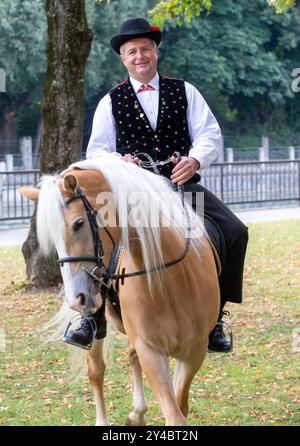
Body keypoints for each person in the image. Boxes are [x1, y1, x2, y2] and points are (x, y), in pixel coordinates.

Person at [65, 17, 248, 352]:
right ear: (123, 58)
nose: (139, 56)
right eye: (132, 51)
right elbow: (98, 150)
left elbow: (209, 133)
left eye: (145, 49)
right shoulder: (110, 100)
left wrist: (194, 160)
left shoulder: (185, 91)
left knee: (235, 232)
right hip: (132, 193)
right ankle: (91, 318)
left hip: (180, 186)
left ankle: (216, 318)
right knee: (100, 240)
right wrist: (118, 163)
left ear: (155, 52)